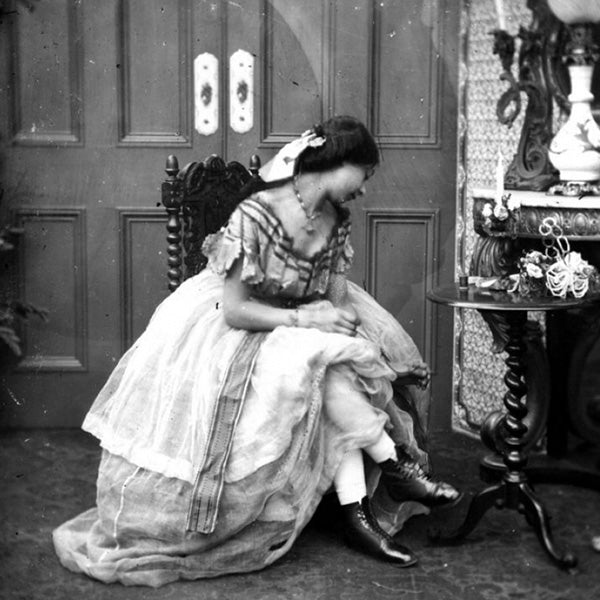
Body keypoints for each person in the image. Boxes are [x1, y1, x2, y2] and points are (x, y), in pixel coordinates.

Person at [52, 115, 460, 587]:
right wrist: (308, 321)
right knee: (320, 363)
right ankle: (384, 478)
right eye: (364, 174)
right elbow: (235, 311)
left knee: (335, 361)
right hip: (239, 327)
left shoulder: (334, 219)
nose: (365, 189)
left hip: (301, 327)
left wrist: (349, 332)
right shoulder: (257, 216)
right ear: (337, 162)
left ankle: (365, 506)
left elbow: (335, 293)